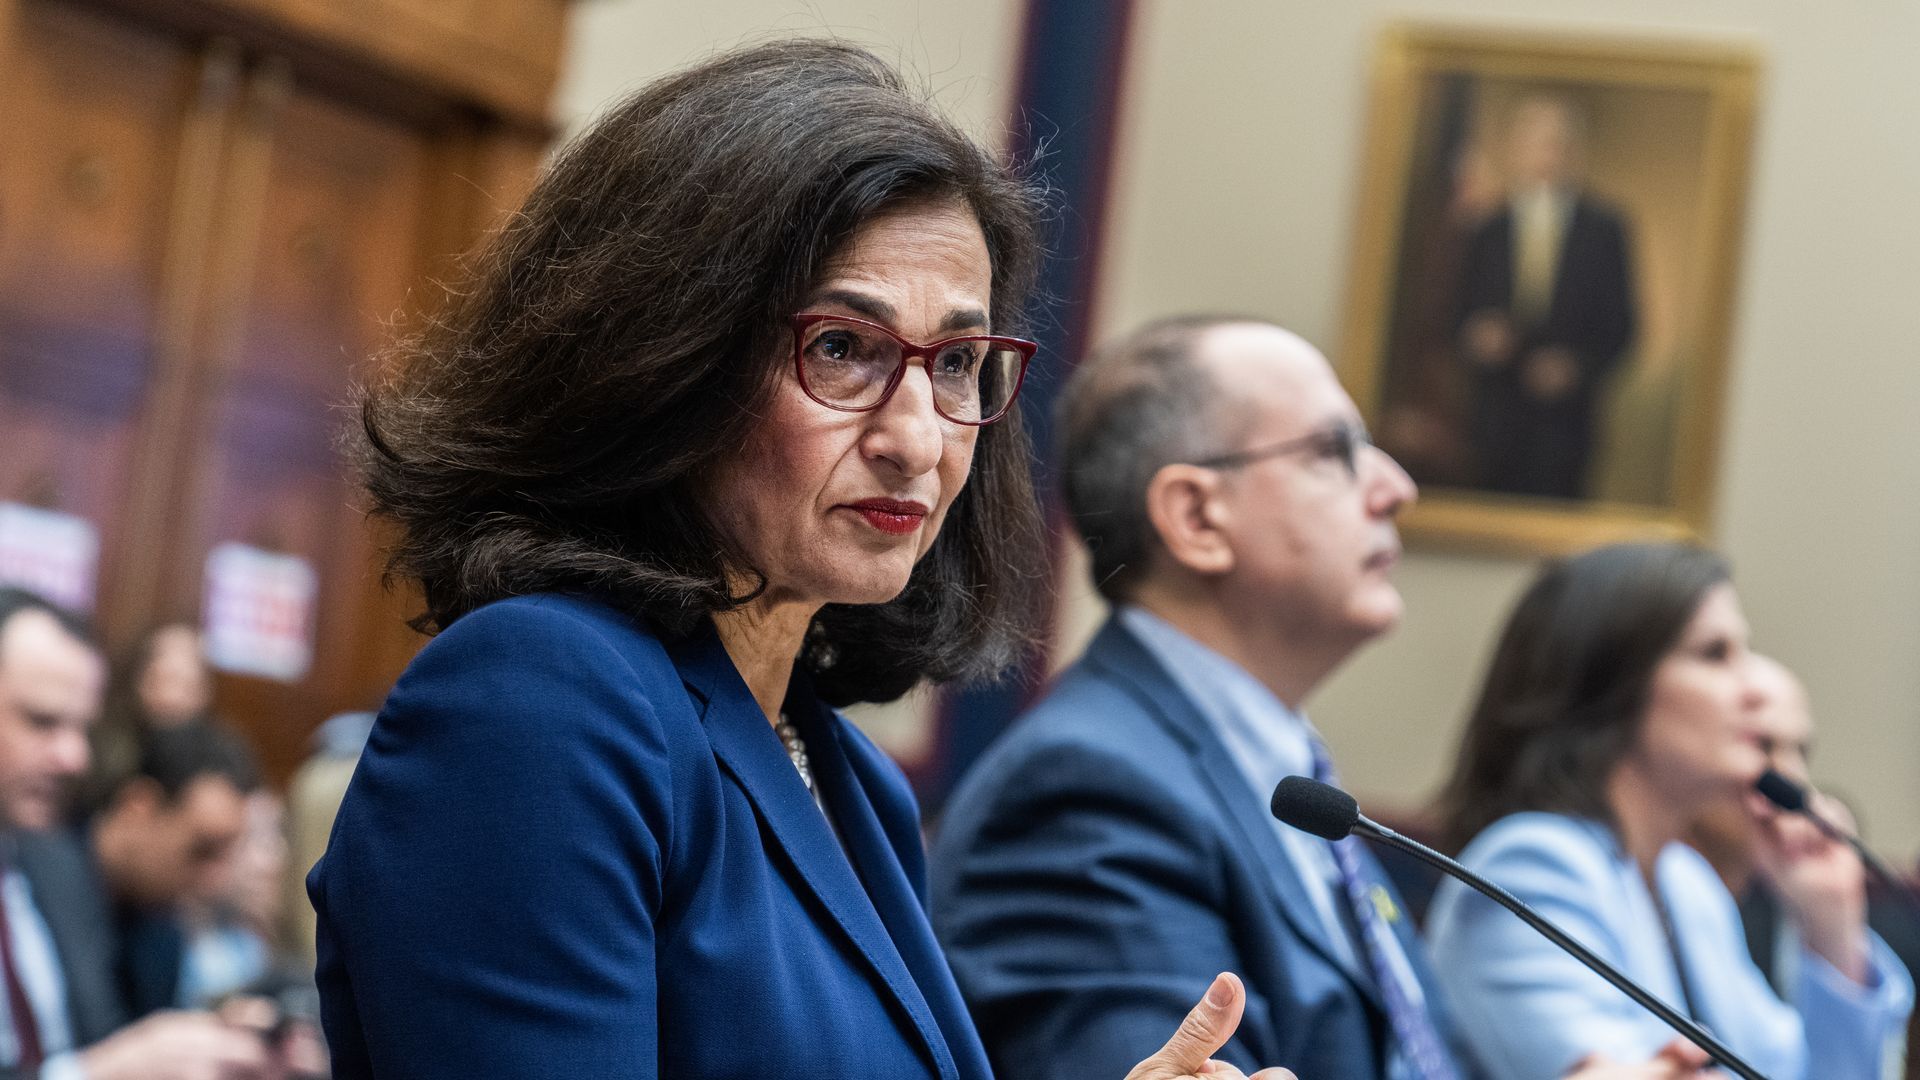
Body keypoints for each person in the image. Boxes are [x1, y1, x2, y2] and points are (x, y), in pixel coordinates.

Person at [309, 42, 1293, 1080]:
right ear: (661, 359)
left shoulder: (849, 777)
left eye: (957, 363)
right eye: (841, 348)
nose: (917, 438)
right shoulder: (536, 701)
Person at [930, 317, 1698, 1080]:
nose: (1397, 487)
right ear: (1198, 519)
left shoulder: (1289, 774)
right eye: (1335, 452)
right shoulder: (1087, 791)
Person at [1426, 543, 1912, 1080]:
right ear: (1612, 685)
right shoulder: (1533, 864)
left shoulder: (1686, 884)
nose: (1755, 689)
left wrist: (1829, 926)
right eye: (1714, 654)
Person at [0, 588, 278, 1080]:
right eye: (41, 721)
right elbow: (97, 1064)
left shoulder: (48, 866)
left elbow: (98, 1043)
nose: (74, 758)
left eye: (81, 728)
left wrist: (203, 1047)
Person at [1454, 94, 1637, 499]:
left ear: (1573, 151)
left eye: (1554, 142)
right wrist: (1478, 337)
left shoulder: (1605, 230)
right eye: (1531, 142)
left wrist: (1575, 367)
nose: (1543, 154)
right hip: (1494, 420)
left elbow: (1623, 327)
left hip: (1565, 427)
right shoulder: (1486, 229)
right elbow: (1453, 316)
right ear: (1513, 149)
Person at [85, 723, 260, 1017]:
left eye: (226, 856)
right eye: (202, 850)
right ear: (138, 807)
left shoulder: (163, 932)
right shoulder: (26, 895)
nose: (216, 879)